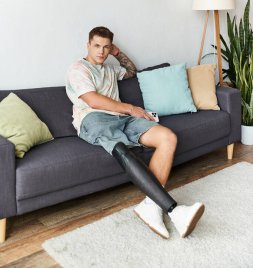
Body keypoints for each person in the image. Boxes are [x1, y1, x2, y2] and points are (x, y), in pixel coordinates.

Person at [66, 26, 205, 239]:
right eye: (96, 46)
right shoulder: (78, 69)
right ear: (88, 45)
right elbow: (92, 100)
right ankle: (174, 210)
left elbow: (131, 71)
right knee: (122, 149)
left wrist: (118, 54)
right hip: (93, 119)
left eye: (106, 47)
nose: (101, 51)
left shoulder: (111, 69)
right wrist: (132, 108)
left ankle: (150, 206)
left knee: (167, 137)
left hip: (123, 118)